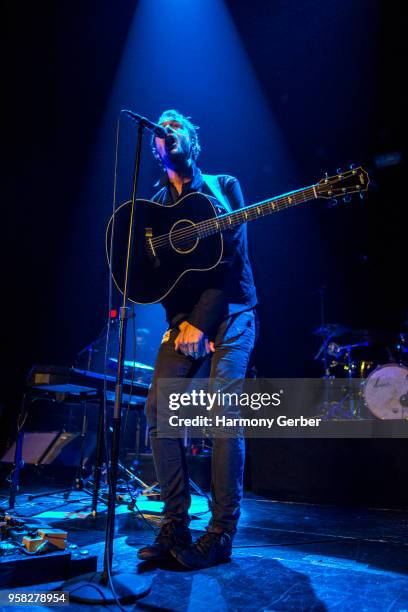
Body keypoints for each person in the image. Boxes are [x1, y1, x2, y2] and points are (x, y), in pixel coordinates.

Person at [138, 109, 257, 569]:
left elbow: (231, 259)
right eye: (162, 131)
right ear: (155, 147)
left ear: (192, 141)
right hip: (185, 319)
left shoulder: (225, 185)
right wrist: (181, 321)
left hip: (233, 313)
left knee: (222, 410)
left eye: (178, 128)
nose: (168, 133)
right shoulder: (155, 202)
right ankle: (174, 523)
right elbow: (164, 275)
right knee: (157, 408)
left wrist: (202, 325)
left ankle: (222, 532)